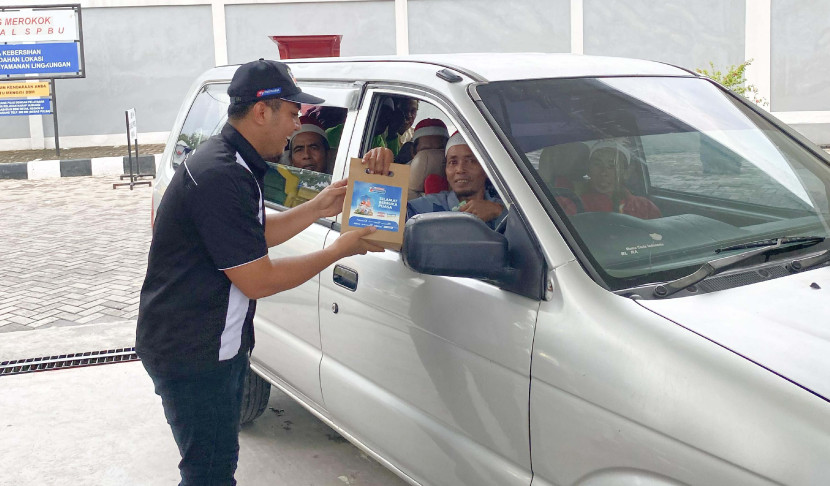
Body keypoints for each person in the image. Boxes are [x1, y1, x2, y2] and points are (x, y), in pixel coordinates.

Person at [135, 58, 392, 486]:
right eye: (292, 113)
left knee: (212, 467)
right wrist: (339, 249)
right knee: (209, 473)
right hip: (194, 354)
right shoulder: (222, 173)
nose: (296, 126)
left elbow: (249, 236)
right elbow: (257, 279)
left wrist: (318, 206)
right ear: (261, 111)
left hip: (203, 345)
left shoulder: (231, 162)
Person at [407, 131, 507, 229]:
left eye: (470, 161)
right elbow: (393, 218)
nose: (460, 170)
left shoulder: (505, 208)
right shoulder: (428, 207)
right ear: (446, 170)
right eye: (453, 162)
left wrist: (498, 211)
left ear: (486, 169)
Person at [579, 140, 661, 219]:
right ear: (589, 170)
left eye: (612, 166)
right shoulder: (577, 206)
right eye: (597, 164)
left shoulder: (645, 207)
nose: (603, 172)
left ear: (626, 173)